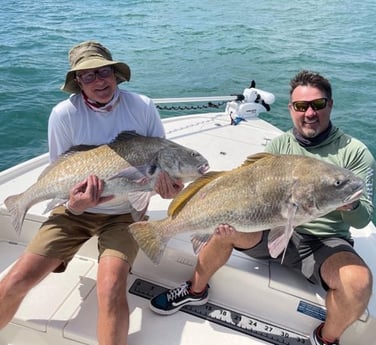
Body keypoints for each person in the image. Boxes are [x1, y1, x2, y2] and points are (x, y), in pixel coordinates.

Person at [149, 70, 375, 345]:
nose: (309, 113)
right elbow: (250, 186)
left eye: (317, 104)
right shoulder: (281, 145)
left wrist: (347, 200)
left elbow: (363, 220)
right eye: (301, 106)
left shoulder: (355, 152)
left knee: (358, 282)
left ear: (330, 104)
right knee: (223, 229)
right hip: (271, 228)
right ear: (291, 109)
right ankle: (195, 290)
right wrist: (227, 211)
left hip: (323, 242)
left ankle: (326, 339)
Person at [0, 41, 184, 345]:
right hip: (75, 212)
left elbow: (160, 162)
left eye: (104, 72)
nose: (99, 81)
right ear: (78, 83)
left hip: (125, 213)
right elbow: (60, 172)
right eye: (88, 76)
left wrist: (168, 187)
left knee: (111, 289)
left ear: (115, 74)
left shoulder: (142, 106)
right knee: (14, 281)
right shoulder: (63, 115)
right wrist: (74, 204)